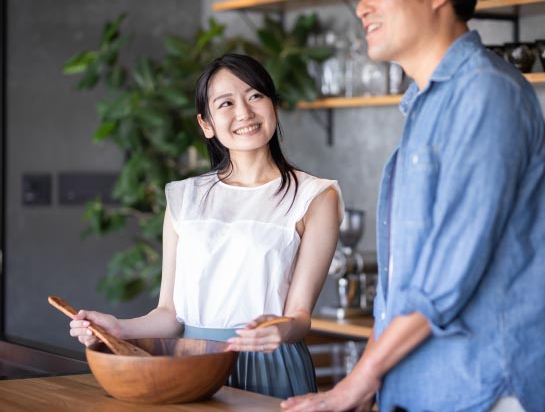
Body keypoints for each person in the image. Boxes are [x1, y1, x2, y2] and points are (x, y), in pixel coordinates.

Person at [282, 0, 545, 411]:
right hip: (422, 390)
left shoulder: (486, 93)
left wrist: (355, 384)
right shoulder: (425, 106)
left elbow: (443, 282)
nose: (362, 7)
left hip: (486, 390)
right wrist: (369, 382)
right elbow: (403, 289)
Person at [69, 54, 344, 399]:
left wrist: (279, 329)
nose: (244, 112)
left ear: (273, 105)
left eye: (255, 96)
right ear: (207, 124)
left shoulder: (315, 197)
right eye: (226, 103)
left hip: (271, 365)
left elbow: (300, 317)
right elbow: (169, 314)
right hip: (195, 365)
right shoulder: (185, 198)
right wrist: (118, 328)